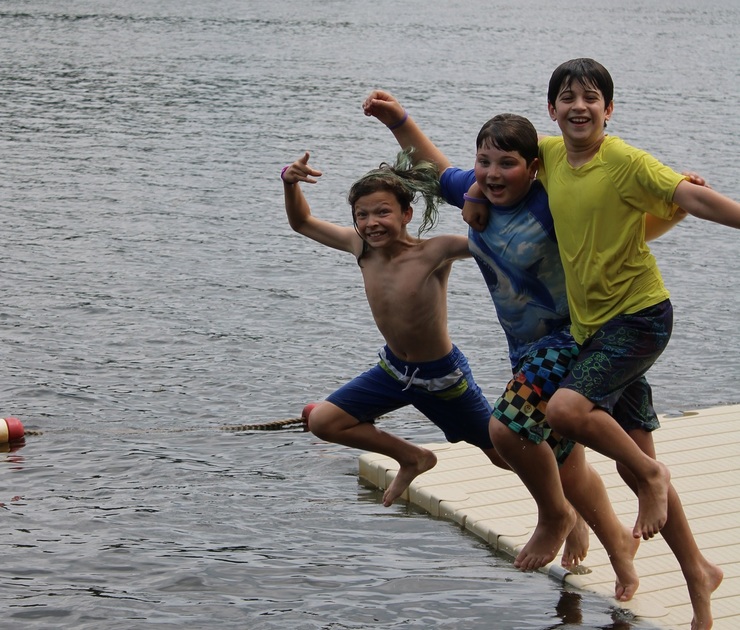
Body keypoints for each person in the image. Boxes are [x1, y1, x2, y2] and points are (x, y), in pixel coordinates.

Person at [361, 89, 680, 600]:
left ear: (532, 167)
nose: (491, 172)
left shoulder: (552, 200)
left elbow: (623, 223)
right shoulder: (477, 189)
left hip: (571, 337)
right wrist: (397, 118)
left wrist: (678, 207)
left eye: (506, 163)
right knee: (564, 462)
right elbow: (433, 164)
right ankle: (620, 553)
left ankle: (555, 518)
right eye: (484, 161)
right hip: (526, 350)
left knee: (507, 433)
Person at [535, 57, 735, 630]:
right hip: (594, 329)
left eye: (591, 97)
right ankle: (699, 573)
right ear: (551, 109)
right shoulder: (547, 156)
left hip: (640, 318)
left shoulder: (622, 160)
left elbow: (693, 198)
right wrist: (401, 128)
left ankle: (652, 481)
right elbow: (476, 173)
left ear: (609, 109)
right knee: (634, 458)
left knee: (567, 411)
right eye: (567, 97)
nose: (579, 106)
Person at [281, 149, 509, 513]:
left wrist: (479, 194)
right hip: (393, 371)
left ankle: (563, 507)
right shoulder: (361, 249)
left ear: (406, 214)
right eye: (362, 215)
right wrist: (289, 183)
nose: (372, 222)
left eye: (383, 212)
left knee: (502, 453)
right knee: (324, 421)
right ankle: (413, 457)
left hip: (442, 379)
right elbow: (302, 222)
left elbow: (497, 238)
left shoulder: (435, 252)